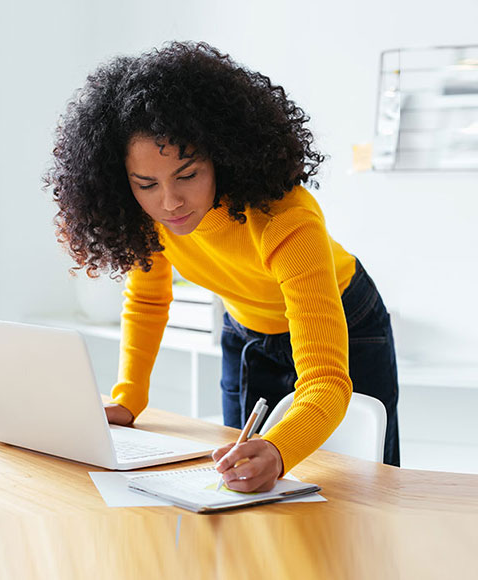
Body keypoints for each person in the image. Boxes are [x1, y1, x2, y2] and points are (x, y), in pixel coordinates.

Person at [44, 41, 399, 492]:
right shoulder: (148, 219)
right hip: (246, 327)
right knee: (238, 481)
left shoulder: (286, 220)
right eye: (146, 184)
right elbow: (148, 300)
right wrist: (128, 400)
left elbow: (326, 380)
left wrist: (279, 450)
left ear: (223, 158)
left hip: (348, 316)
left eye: (187, 175)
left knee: (368, 487)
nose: (169, 203)